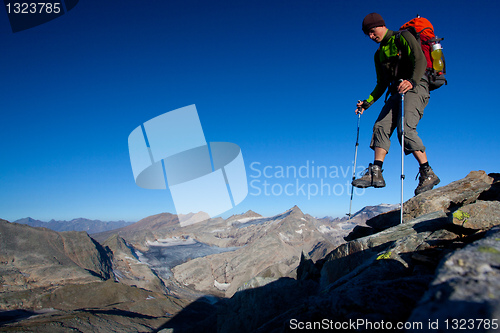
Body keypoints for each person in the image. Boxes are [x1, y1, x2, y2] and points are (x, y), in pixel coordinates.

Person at [352, 12, 440, 195]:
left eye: (372, 31)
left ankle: (427, 172)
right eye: (367, 33)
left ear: (381, 25)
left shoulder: (403, 37)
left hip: (416, 86)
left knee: (405, 129)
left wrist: (413, 81)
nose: (370, 36)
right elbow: (381, 83)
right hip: (395, 91)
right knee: (380, 127)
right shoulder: (378, 54)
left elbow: (420, 59)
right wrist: (366, 103)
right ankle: (376, 173)